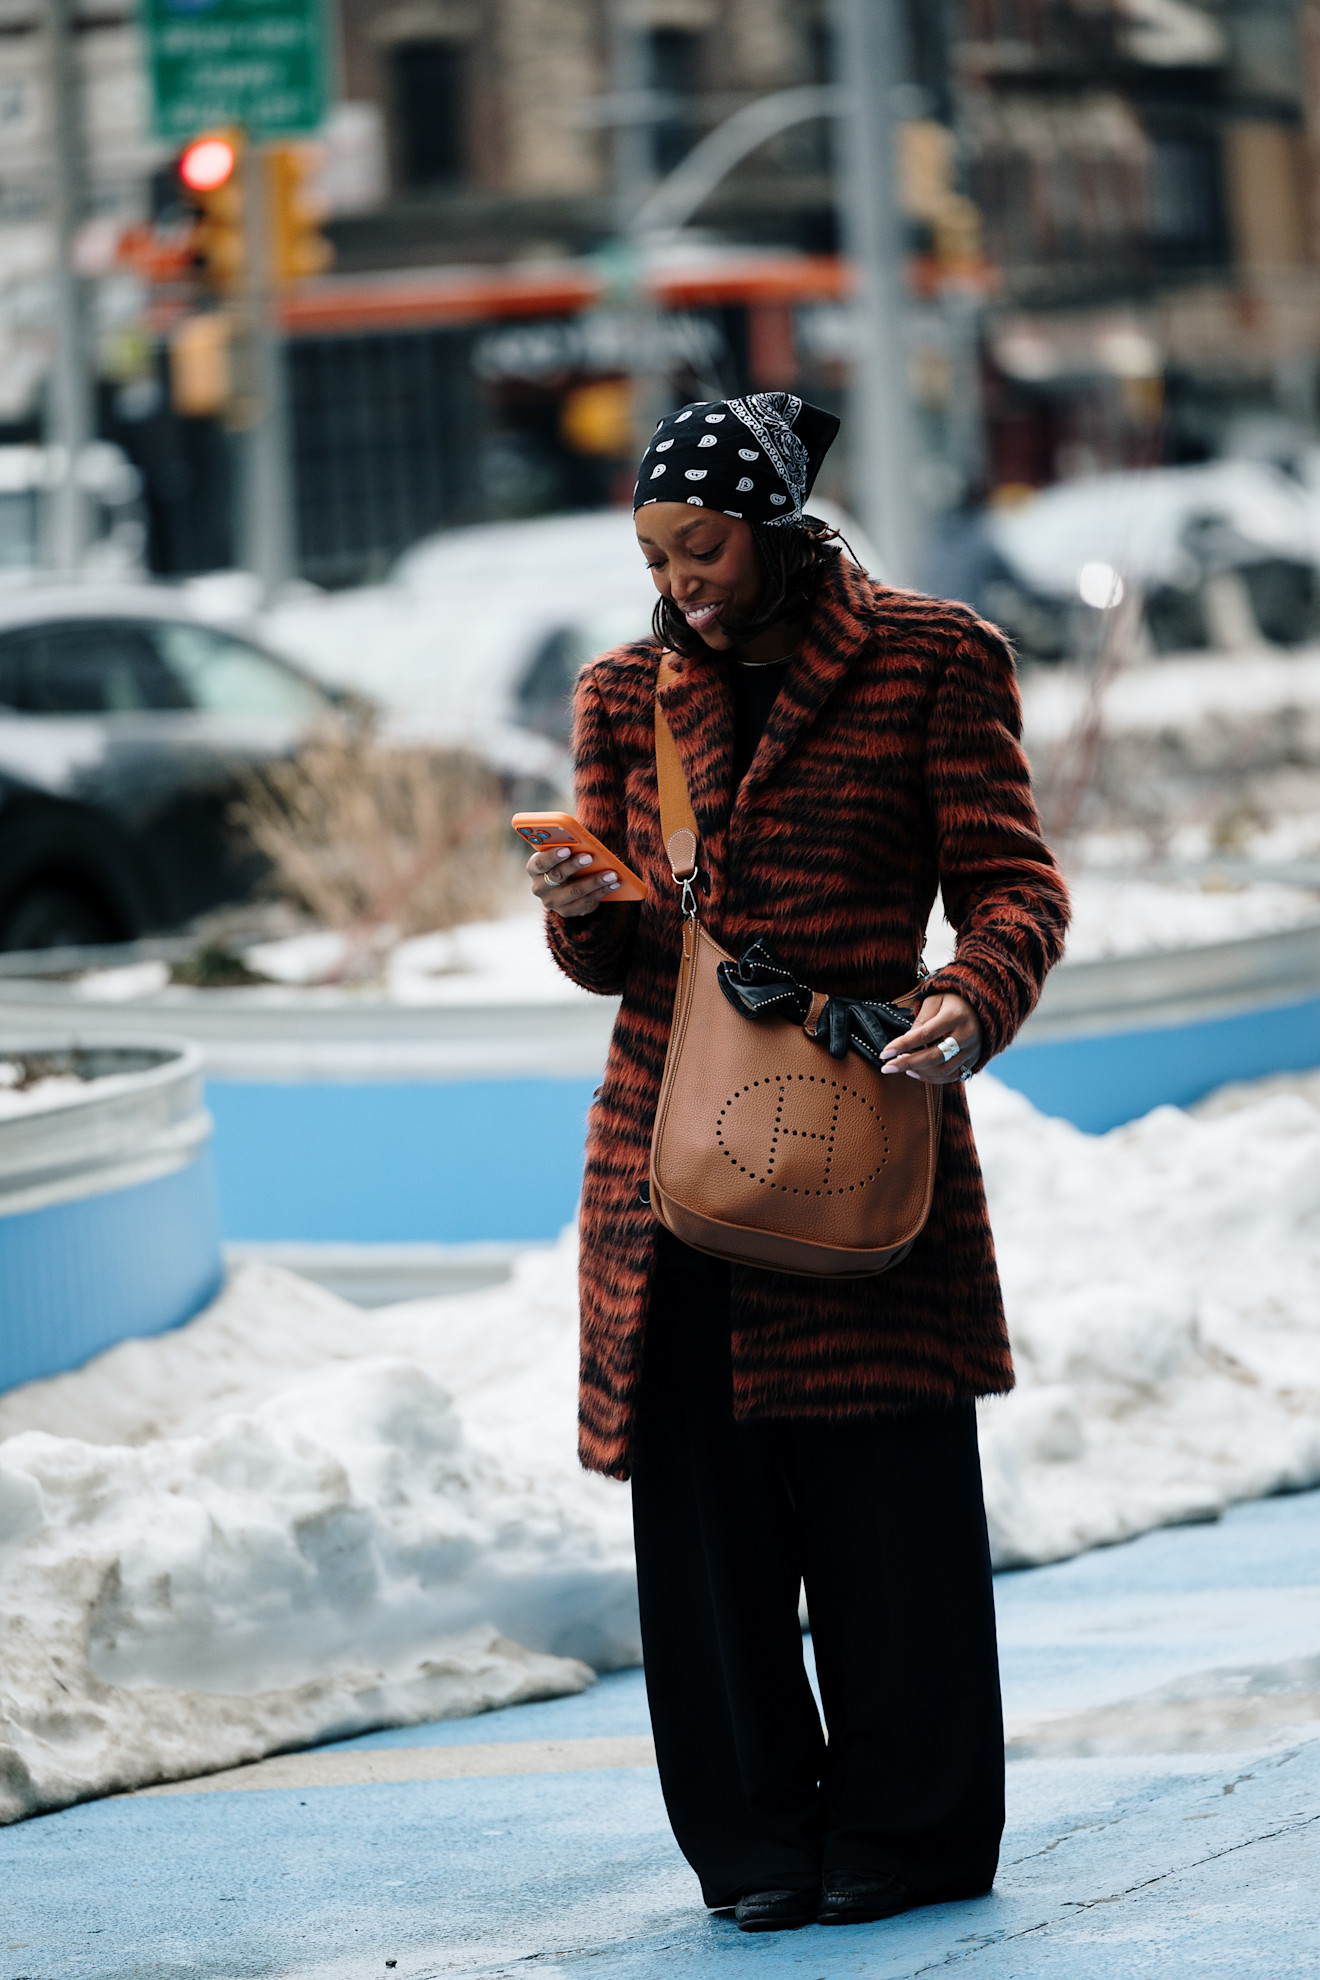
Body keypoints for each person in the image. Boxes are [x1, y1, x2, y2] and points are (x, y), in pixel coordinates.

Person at [525, 392, 1070, 1934]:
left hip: (857, 1124)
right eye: (653, 550)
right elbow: (626, 951)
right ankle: (756, 1847)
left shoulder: (932, 658)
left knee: (886, 1500)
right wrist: (581, 902)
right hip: (670, 1146)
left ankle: (906, 1835)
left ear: (767, 527)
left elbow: (1014, 885)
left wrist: (970, 1002)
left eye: (700, 546)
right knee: (703, 1530)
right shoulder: (622, 693)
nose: (677, 577)